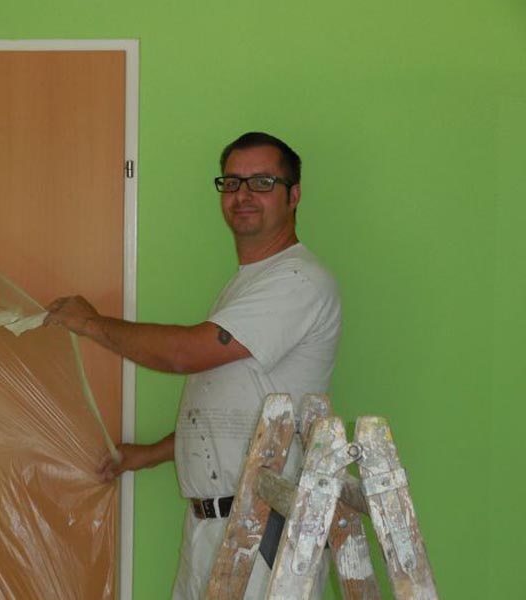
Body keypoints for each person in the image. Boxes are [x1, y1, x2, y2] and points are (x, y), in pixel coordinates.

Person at [45, 132, 341, 599]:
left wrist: (91, 324)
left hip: (265, 535)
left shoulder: (298, 280)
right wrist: (149, 454)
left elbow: (185, 353)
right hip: (216, 525)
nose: (243, 194)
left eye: (263, 182)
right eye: (233, 182)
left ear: (294, 195)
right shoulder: (248, 284)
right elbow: (236, 407)